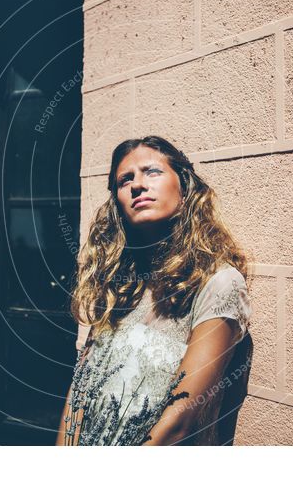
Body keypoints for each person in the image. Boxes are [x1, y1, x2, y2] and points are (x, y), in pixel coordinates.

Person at [55, 136, 252, 446]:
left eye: (152, 171)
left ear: (185, 188)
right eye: (125, 179)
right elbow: (79, 394)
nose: (137, 185)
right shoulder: (118, 285)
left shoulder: (218, 284)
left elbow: (180, 421)